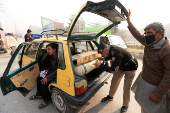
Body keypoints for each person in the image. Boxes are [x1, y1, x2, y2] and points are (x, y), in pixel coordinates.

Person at [126, 9, 170, 113]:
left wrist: (159, 93)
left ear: (160, 33)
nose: (146, 35)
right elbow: (137, 34)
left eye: (150, 33)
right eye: (145, 33)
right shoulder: (150, 43)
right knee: (145, 109)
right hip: (145, 85)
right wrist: (129, 22)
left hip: (156, 89)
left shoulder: (166, 50)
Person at [93, 42, 138, 113]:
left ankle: (125, 105)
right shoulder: (110, 49)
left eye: (102, 53)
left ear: (106, 50)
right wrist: (104, 59)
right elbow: (110, 56)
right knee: (114, 81)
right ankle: (110, 96)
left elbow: (113, 70)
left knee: (126, 88)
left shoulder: (117, 53)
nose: (101, 55)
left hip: (131, 68)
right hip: (121, 66)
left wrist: (100, 65)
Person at [29, 43, 58, 109]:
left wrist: (48, 78)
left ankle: (47, 99)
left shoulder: (58, 57)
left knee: (43, 82)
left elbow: (58, 69)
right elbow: (53, 66)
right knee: (38, 78)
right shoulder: (52, 55)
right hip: (52, 71)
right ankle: (39, 95)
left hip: (57, 74)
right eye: (47, 49)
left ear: (54, 49)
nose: (47, 51)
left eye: (49, 49)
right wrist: (47, 69)